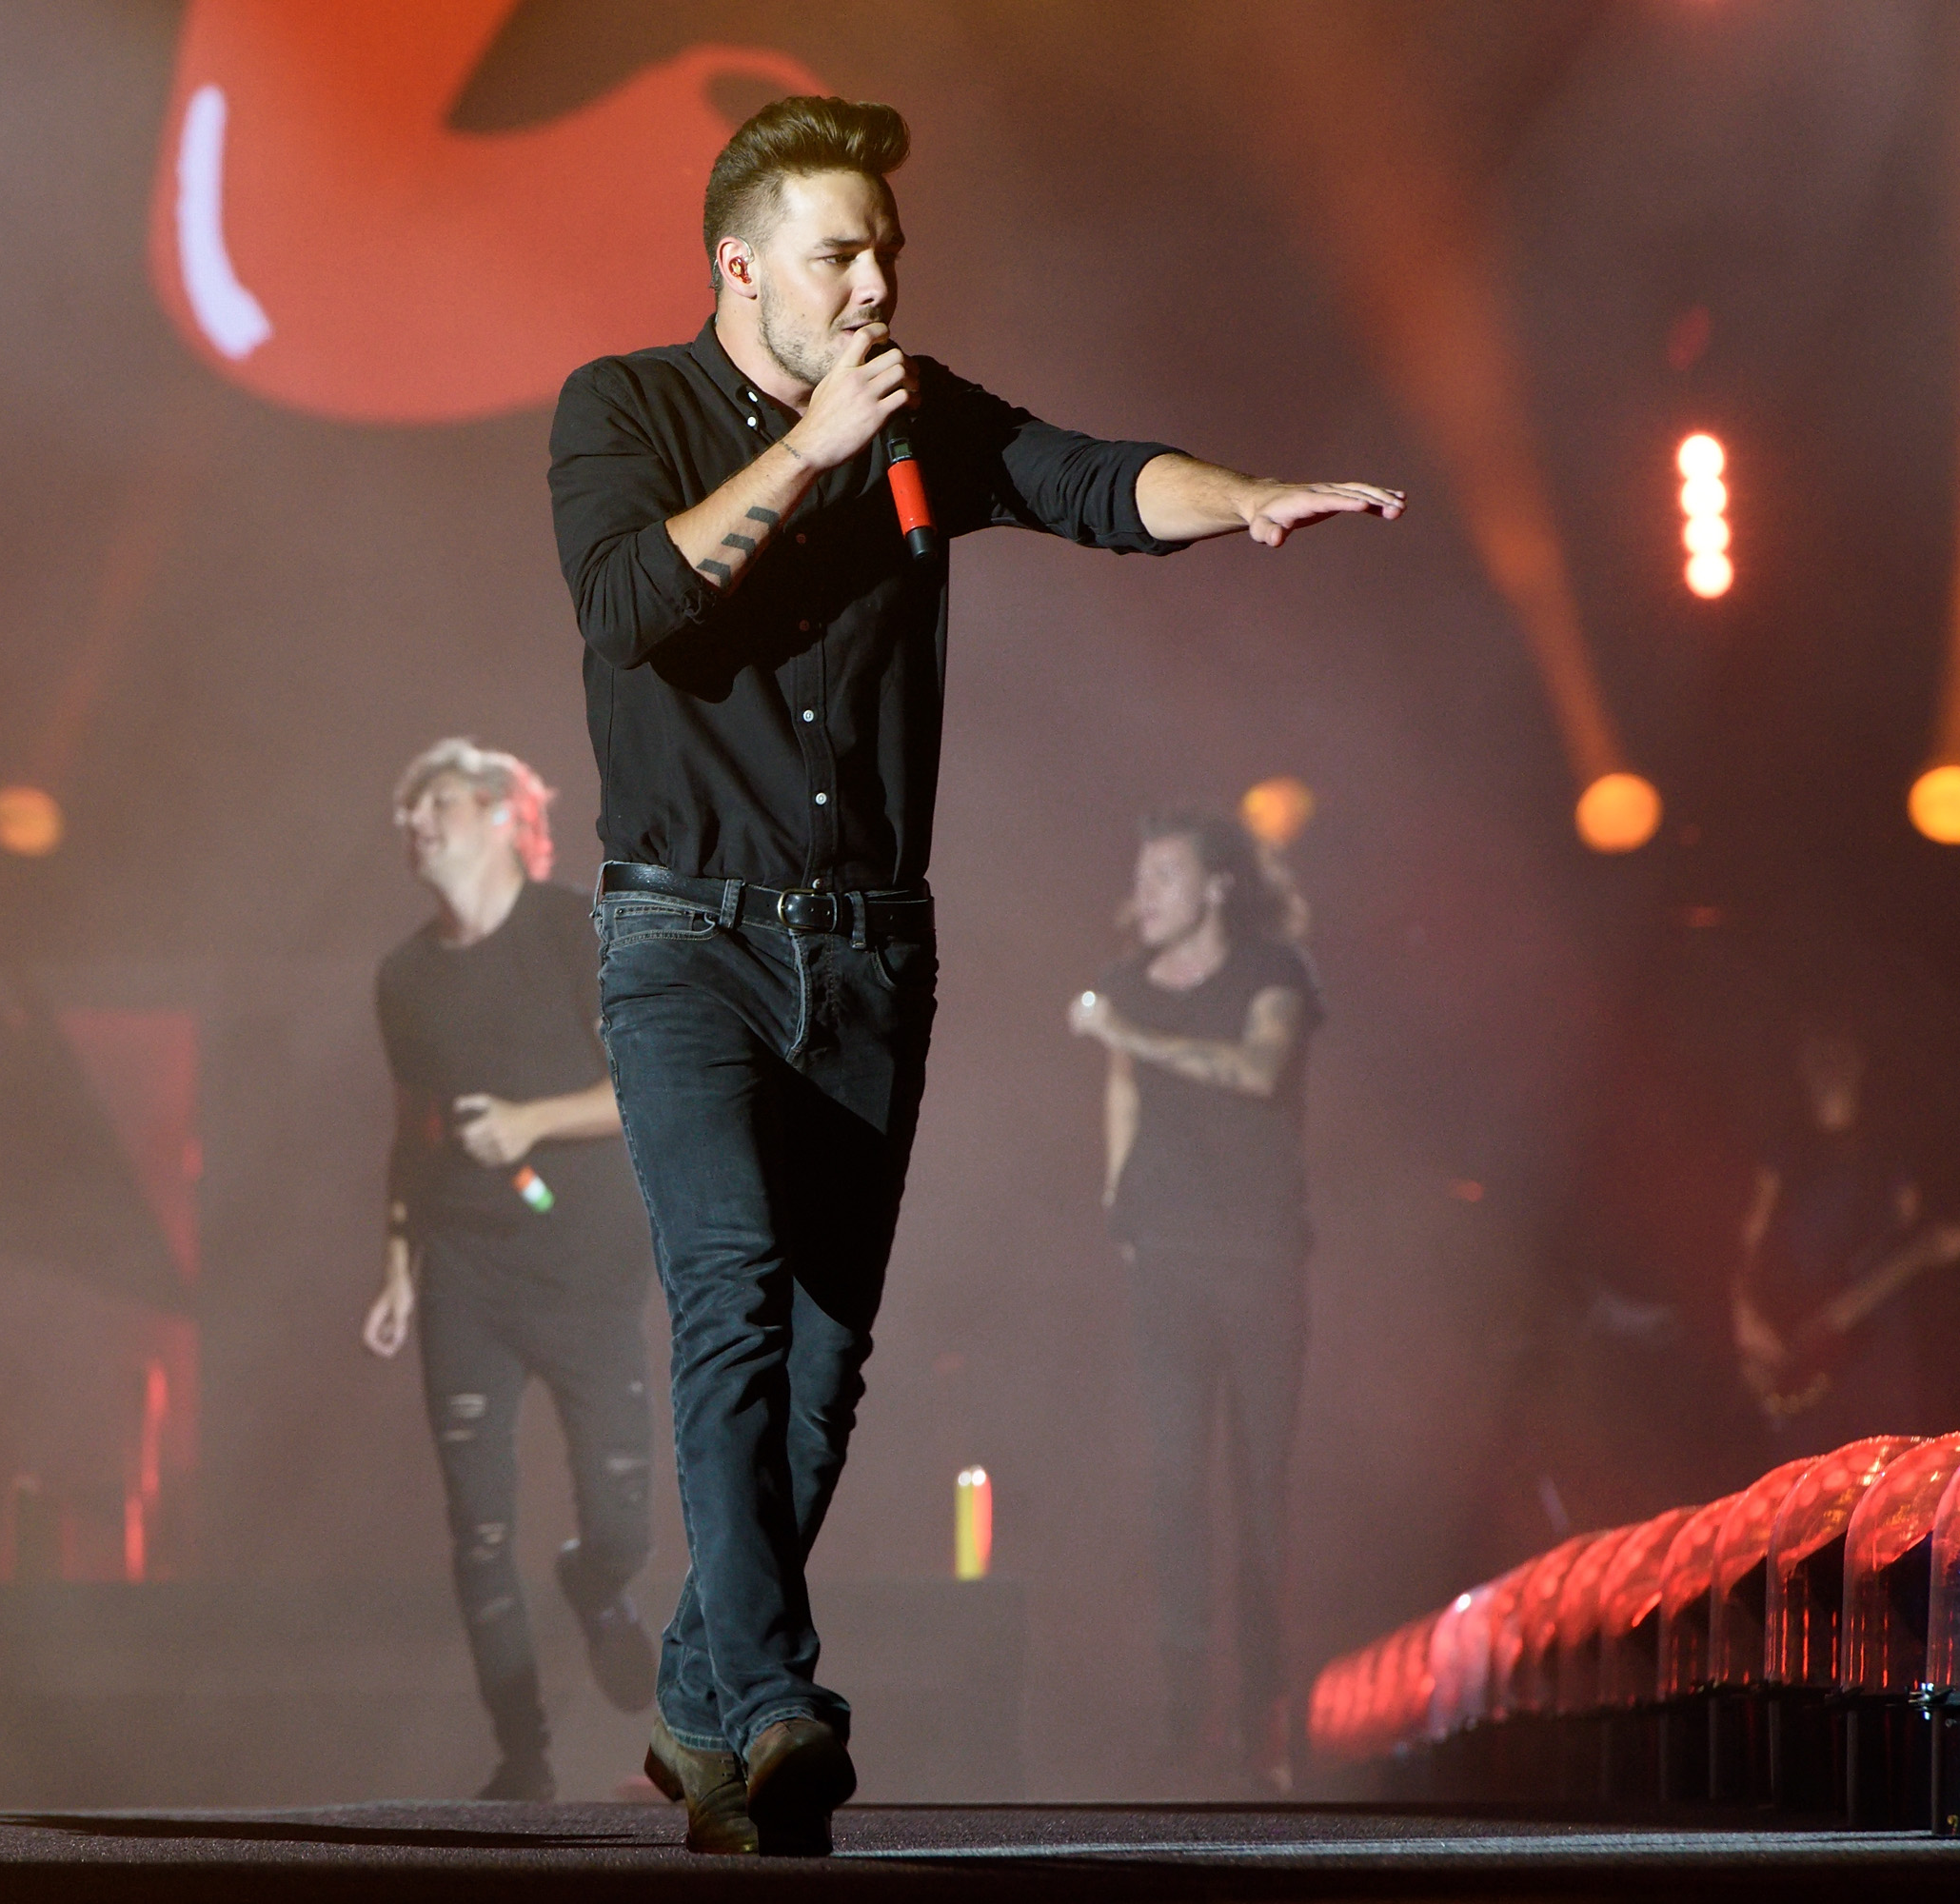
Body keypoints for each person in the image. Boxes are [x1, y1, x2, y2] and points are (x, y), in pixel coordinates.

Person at [546, 94, 1400, 1855]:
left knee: (827, 1358)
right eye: (840, 251)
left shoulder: (922, 417)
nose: (876, 282)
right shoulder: (621, 408)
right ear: (743, 265)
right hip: (682, 940)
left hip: (867, 950)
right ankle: (778, 1701)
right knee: (730, 1303)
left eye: (889, 253)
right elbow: (630, 603)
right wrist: (802, 454)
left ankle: (706, 1706)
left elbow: (1088, 479)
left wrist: (1242, 499)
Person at [362, 739, 658, 1800]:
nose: (415, 824)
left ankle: (596, 1579)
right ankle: (521, 1750)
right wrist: (399, 1262)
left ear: (499, 813)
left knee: (626, 1512)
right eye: (405, 813)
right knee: (477, 1527)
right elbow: (412, 1128)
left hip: (587, 1269)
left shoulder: (575, 931)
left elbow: (651, 1089)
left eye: (434, 800)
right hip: (465, 1273)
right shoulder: (403, 977)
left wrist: (532, 1119)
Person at [1067, 810, 1322, 1792]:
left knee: (1259, 1488)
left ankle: (1264, 1710)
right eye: (1143, 872)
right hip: (1165, 1257)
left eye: (1167, 872)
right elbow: (1123, 1093)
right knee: (1174, 1480)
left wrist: (1125, 1032)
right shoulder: (1129, 986)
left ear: (1217, 883)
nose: (1149, 891)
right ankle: (1184, 1712)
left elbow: (1258, 1072)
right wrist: (1117, 1202)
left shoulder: (1274, 973)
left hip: (1258, 1259)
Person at [1732, 1023, 1960, 1453]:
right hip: (1803, 1340)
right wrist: (1745, 1316)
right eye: (1819, 1056)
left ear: (1859, 1063)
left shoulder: (1890, 1151)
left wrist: (1945, 1250)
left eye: (1839, 1055)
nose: (1830, 1068)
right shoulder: (1785, 1150)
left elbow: (1916, 1237)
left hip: (1878, 1348)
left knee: (1896, 1466)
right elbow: (1749, 1237)